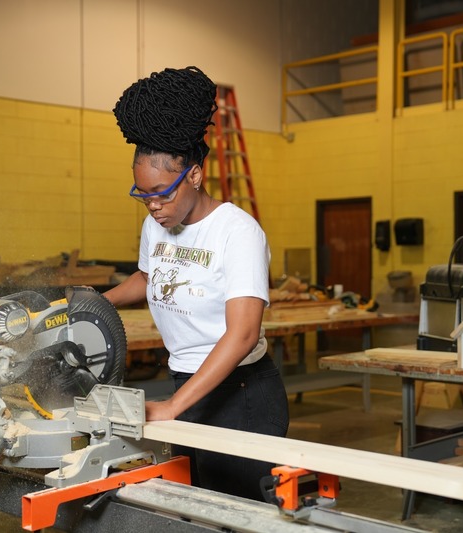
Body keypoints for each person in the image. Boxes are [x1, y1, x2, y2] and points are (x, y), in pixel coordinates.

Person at [104, 66, 289, 502]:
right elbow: (149, 277)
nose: (152, 206)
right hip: (186, 383)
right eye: (142, 193)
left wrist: (171, 407)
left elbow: (242, 334)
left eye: (162, 193)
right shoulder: (158, 224)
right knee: (198, 506)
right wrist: (93, 304)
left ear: (193, 175)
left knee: (240, 512)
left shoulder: (237, 232)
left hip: (241, 395)